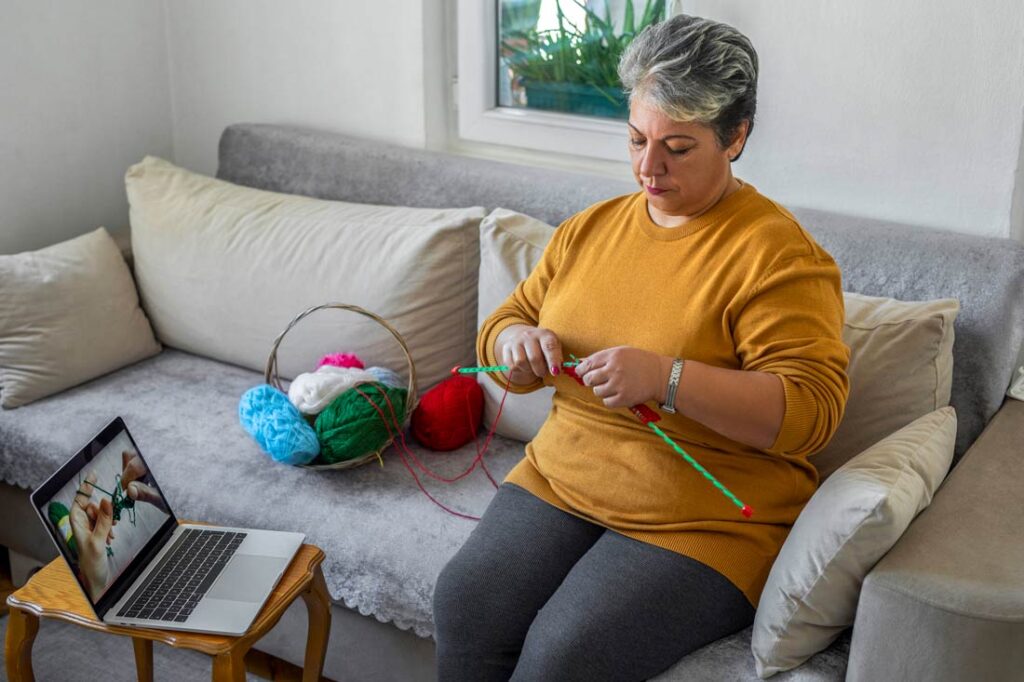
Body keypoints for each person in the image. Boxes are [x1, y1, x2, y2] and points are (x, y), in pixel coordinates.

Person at [432, 13, 850, 682]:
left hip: (707, 519)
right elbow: (508, 320)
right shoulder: (592, 229)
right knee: (464, 605)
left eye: (678, 148)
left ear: (736, 137)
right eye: (635, 140)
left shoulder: (777, 255)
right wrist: (518, 343)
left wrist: (667, 377)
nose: (647, 168)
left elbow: (810, 411)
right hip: (565, 477)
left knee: (563, 654)